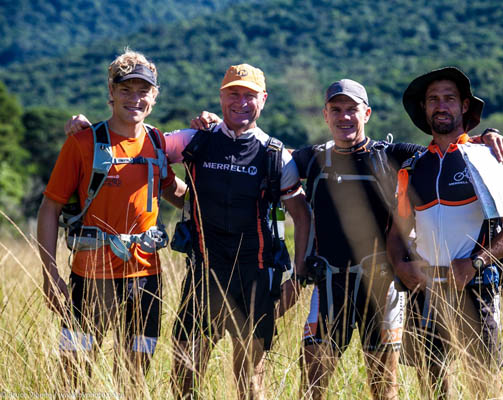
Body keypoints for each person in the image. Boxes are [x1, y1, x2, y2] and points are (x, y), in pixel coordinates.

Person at [66, 63, 311, 399]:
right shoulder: (194, 140)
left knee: (251, 382)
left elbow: (302, 215)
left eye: (249, 95)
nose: (241, 102)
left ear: (263, 99)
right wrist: (91, 131)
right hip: (202, 275)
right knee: (184, 378)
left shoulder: (276, 155)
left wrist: (298, 279)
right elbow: (135, 142)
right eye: (233, 94)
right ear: (221, 97)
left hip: (256, 277)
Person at [290, 79, 503, 400]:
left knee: (385, 389)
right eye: (336, 110)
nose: (344, 117)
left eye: (352, 109)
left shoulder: (392, 154)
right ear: (325, 115)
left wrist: (487, 136)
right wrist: (216, 128)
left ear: (366, 113)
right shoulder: (312, 158)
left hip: (382, 285)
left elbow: (448, 150)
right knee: (311, 387)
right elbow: (266, 154)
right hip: (329, 284)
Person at [38, 49, 184, 395]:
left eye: (143, 91)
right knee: (72, 380)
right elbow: (50, 207)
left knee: (132, 382)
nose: (135, 98)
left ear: (154, 96)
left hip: (146, 279)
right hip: (90, 278)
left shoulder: (157, 142)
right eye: (125, 89)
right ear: (111, 91)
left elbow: (173, 190)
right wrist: (50, 274)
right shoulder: (83, 142)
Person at [387, 67, 503, 398]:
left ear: (464, 106)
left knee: (484, 384)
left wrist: (475, 263)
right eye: (433, 99)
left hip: (475, 285)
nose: (441, 105)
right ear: (424, 108)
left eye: (449, 98)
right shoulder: (414, 166)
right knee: (431, 384)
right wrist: (401, 266)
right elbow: (396, 232)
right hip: (425, 289)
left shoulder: (490, 156)